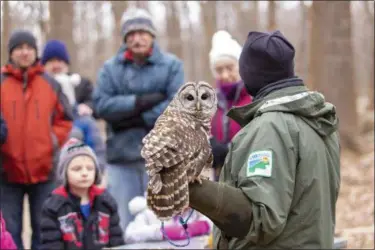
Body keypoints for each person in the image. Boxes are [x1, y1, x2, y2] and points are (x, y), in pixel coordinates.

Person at [188, 30, 340, 249]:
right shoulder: (317, 119)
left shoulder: (270, 128)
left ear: (249, 74)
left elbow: (260, 219)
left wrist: (190, 189)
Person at [93, 7, 184, 231]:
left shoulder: (172, 66)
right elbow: (102, 105)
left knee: (165, 225)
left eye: (142, 32)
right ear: (125, 39)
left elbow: (178, 105)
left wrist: (130, 117)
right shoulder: (110, 69)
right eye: (131, 34)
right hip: (122, 158)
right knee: (125, 225)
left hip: (163, 159)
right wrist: (138, 103)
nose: (137, 38)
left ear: (152, 35)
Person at [0, 29, 73, 250]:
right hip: (6, 171)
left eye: (29, 48)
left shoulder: (50, 83)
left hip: (44, 171)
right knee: (10, 231)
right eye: (19, 48)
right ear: (11, 53)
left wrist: (51, 142)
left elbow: (66, 119)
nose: (24, 52)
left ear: (36, 52)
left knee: (45, 230)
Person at [40, 138, 124, 250]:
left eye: (89, 168)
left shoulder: (106, 202)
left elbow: (116, 241)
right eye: (77, 169)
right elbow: (51, 244)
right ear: (64, 174)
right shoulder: (53, 206)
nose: (84, 173)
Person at [208, 30, 252, 181]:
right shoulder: (211, 102)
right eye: (219, 70)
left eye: (230, 68)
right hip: (220, 178)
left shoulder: (253, 98)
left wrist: (228, 150)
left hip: (249, 176)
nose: (225, 75)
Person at [124, 195, 212, 244]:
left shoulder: (194, 211)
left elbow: (214, 223)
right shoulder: (150, 212)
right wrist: (160, 232)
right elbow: (129, 235)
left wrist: (202, 225)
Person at [41, 39, 96, 117]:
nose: (56, 65)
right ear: (44, 65)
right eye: (51, 61)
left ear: (66, 63)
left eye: (59, 61)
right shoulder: (39, 85)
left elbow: (96, 103)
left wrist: (87, 106)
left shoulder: (81, 84)